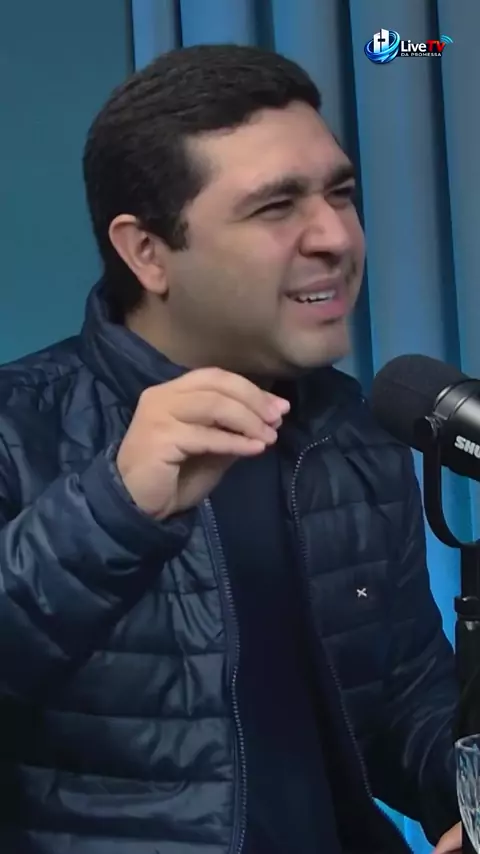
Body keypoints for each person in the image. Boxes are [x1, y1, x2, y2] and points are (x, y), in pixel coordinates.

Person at [0, 43, 462, 854]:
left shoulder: (354, 433)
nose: (336, 236)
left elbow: (402, 701)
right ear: (147, 252)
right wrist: (112, 511)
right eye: (276, 207)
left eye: (341, 194)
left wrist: (465, 783)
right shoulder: (16, 427)